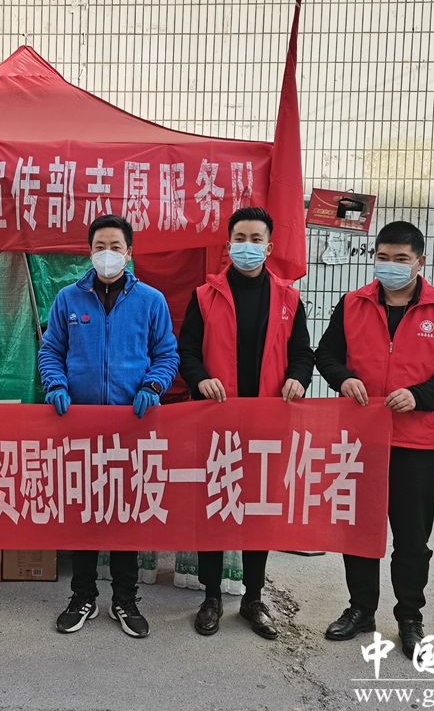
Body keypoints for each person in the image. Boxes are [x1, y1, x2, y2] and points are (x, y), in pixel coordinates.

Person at [314, 221, 434, 658]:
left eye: (401, 259)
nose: (391, 266)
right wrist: (343, 378)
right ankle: (360, 609)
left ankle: (410, 617)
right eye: (383, 257)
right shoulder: (353, 303)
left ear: (419, 262)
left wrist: (420, 396)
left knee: (411, 539)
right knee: (359, 531)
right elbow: (326, 354)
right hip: (361, 437)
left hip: (416, 442)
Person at [38, 213, 179, 638]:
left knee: (124, 516)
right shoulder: (68, 299)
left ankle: (124, 600)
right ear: (90, 252)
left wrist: (153, 385)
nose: (107, 254)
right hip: (79, 425)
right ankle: (82, 597)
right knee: (83, 515)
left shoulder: (151, 300)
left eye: (115, 247)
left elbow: (166, 354)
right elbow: (50, 350)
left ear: (129, 253)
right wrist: (56, 384)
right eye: (100, 246)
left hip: (130, 427)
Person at [177, 206, 314, 640]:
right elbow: (187, 351)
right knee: (215, 507)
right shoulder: (205, 296)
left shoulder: (288, 298)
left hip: (268, 422)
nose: (248, 246)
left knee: (259, 511)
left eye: (256, 239)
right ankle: (211, 596)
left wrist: (298, 377)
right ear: (228, 244)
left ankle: (253, 598)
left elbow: (302, 353)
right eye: (241, 238)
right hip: (217, 419)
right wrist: (200, 379)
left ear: (269, 247)